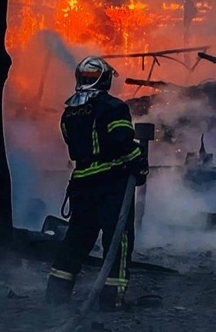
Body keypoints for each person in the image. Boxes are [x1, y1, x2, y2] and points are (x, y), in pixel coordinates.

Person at [45, 55, 148, 311]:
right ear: (104, 81)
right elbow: (123, 142)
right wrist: (139, 163)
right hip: (112, 184)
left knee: (77, 240)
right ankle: (111, 300)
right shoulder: (113, 107)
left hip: (82, 185)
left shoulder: (70, 112)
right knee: (118, 241)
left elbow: (74, 146)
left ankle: (55, 296)